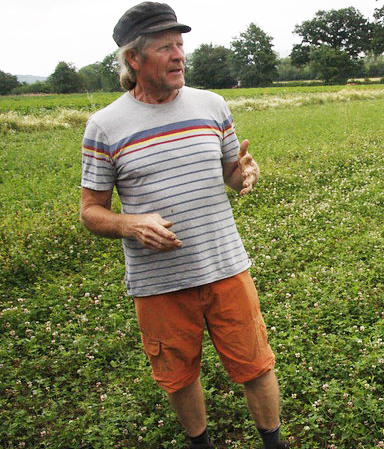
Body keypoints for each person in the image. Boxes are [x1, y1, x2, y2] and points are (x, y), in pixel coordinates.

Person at [79, 3, 288, 448]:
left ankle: (274, 443)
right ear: (134, 60)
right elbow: (91, 211)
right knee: (178, 376)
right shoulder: (105, 126)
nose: (179, 56)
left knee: (256, 364)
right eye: (165, 47)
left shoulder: (212, 105)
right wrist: (130, 224)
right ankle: (201, 444)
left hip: (225, 265)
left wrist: (244, 174)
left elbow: (232, 174)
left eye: (180, 45)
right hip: (159, 282)